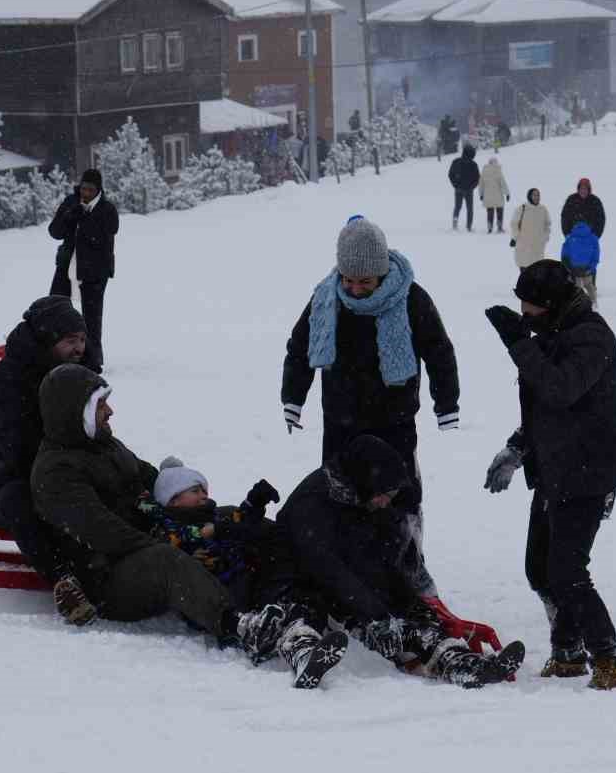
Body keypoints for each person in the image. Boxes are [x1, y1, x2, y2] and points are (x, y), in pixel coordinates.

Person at [281, 216, 460, 596]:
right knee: (341, 492)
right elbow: (299, 349)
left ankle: (409, 565)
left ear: (382, 273)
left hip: (393, 419)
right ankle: (347, 566)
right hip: (342, 419)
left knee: (399, 494)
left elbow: (439, 351)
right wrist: (293, 398)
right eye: (349, 279)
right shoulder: (326, 298)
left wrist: (446, 402)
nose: (355, 288)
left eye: (365, 282)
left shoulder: (411, 297)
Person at [482, 261, 616, 690]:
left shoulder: (591, 337)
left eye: (530, 309)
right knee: (540, 569)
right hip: (554, 470)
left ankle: (609, 657)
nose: (525, 317)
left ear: (551, 304)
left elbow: (560, 389)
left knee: (567, 570)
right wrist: (517, 448)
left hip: (587, 473)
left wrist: (518, 343)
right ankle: (567, 651)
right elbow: (543, 408)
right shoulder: (553, 334)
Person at [278, 434, 525, 688]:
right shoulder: (313, 502)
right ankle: (305, 655)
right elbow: (327, 567)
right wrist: (375, 616)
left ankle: (461, 663)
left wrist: (413, 607)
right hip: (301, 583)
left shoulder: (363, 500)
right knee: (304, 615)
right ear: (368, 481)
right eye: (385, 493)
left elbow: (381, 565)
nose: (387, 501)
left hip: (348, 586)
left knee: (408, 619)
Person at [32, 365, 250, 645]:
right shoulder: (55, 471)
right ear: (75, 411)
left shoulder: (105, 444)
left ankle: (293, 592)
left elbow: (153, 482)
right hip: (108, 579)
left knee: (231, 518)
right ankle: (239, 625)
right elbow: (103, 532)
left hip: (146, 543)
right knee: (167, 559)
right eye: (100, 404)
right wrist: (176, 539)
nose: (110, 411)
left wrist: (196, 511)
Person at [140, 460, 350, 689]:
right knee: (275, 609)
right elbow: (183, 552)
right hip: (220, 599)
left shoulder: (213, 518)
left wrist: (254, 503)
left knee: (292, 607)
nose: (203, 494)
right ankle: (269, 634)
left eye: (204, 489)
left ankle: (303, 652)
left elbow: (236, 522)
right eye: (194, 490)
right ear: (173, 499)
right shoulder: (171, 531)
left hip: (244, 584)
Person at [0, 296, 98, 626]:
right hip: (10, 481)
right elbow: (17, 446)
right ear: (49, 340)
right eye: (71, 341)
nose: (79, 348)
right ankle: (62, 578)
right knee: (22, 502)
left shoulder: (74, 373)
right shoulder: (11, 379)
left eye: (83, 340)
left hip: (63, 473)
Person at [49, 168, 119, 372]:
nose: (85, 193)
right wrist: (71, 216)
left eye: (90, 190)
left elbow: (107, 232)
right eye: (83, 188)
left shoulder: (107, 209)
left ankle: (93, 360)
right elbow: (54, 232)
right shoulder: (71, 202)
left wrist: (85, 220)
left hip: (95, 270)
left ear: (98, 190)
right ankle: (55, 353)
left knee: (92, 317)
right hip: (67, 266)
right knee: (56, 309)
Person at [560, 221, 601, 306]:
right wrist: (592, 267)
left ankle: (577, 305)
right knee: (589, 285)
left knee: (576, 287)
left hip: (574, 268)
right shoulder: (593, 238)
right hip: (587, 267)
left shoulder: (570, 237)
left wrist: (567, 267)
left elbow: (564, 253)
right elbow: (596, 254)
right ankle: (594, 303)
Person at [511, 187, 551, 271]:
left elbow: (547, 224)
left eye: (538, 195)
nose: (537, 197)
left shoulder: (543, 209)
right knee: (524, 271)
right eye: (534, 195)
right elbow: (514, 224)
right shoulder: (522, 208)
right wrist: (516, 237)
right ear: (529, 196)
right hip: (523, 246)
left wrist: (545, 237)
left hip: (538, 247)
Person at [447, 143, 480, 231]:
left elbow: (450, 175)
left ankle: (455, 223)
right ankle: (469, 227)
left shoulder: (456, 162)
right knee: (470, 209)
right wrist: (472, 187)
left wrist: (455, 185)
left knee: (457, 207)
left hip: (458, 189)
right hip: (469, 190)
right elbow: (477, 178)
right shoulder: (473, 164)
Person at [479, 151, 510, 234]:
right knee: (499, 211)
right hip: (498, 196)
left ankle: (489, 227)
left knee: (490, 211)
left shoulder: (484, 171)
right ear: (496, 163)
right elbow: (503, 183)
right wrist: (507, 194)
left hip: (488, 196)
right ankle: (499, 227)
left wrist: (481, 194)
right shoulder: (498, 170)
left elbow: (481, 184)